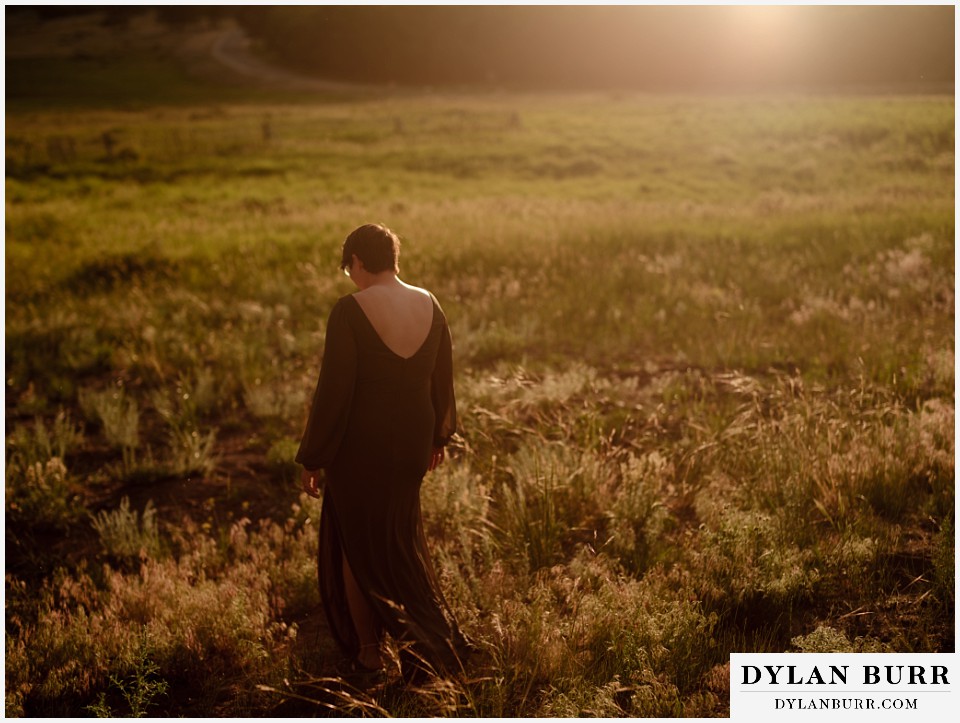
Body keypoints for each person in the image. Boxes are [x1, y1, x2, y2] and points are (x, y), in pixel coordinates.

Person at [296, 223, 470, 682]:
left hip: (362, 448)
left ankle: (372, 655)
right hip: (412, 442)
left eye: (348, 268)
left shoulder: (350, 310)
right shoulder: (429, 303)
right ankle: (424, 645)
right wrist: (438, 437)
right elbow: (442, 378)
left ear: (357, 262)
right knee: (398, 540)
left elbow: (334, 392)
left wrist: (312, 456)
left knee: (358, 548)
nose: (350, 277)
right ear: (394, 258)